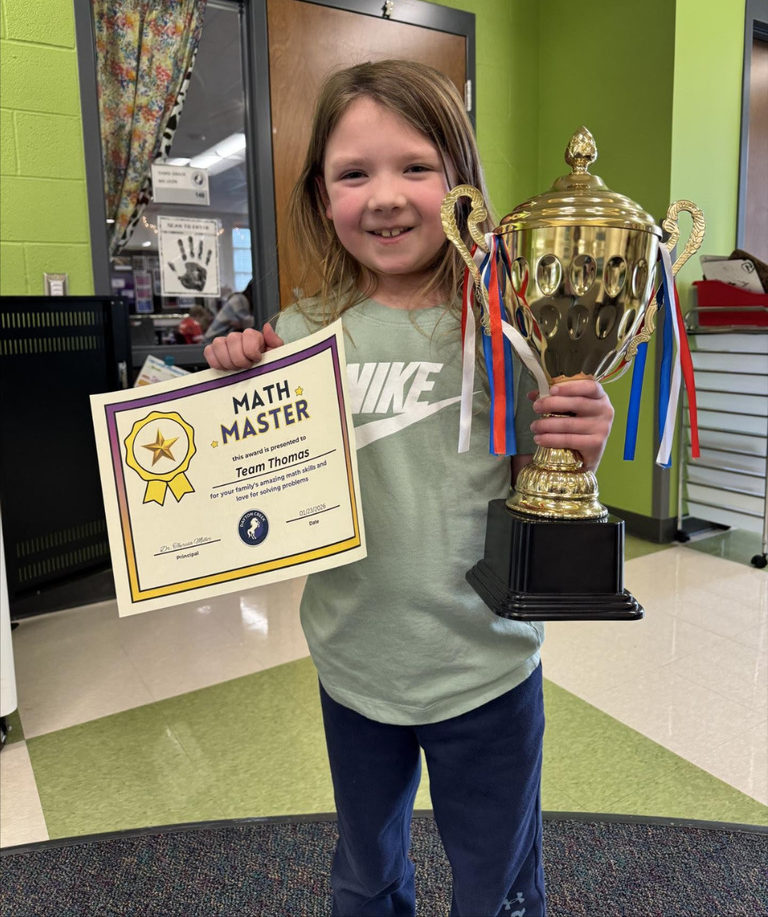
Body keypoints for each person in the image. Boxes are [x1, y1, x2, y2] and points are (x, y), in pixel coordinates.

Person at [204, 60, 614, 917]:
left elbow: (538, 487)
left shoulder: (512, 330)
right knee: (365, 874)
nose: (385, 197)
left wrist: (580, 449)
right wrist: (231, 378)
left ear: (461, 185)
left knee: (496, 888)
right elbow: (247, 478)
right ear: (321, 197)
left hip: (486, 669)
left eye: (415, 167)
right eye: (354, 174)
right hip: (355, 665)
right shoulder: (299, 335)